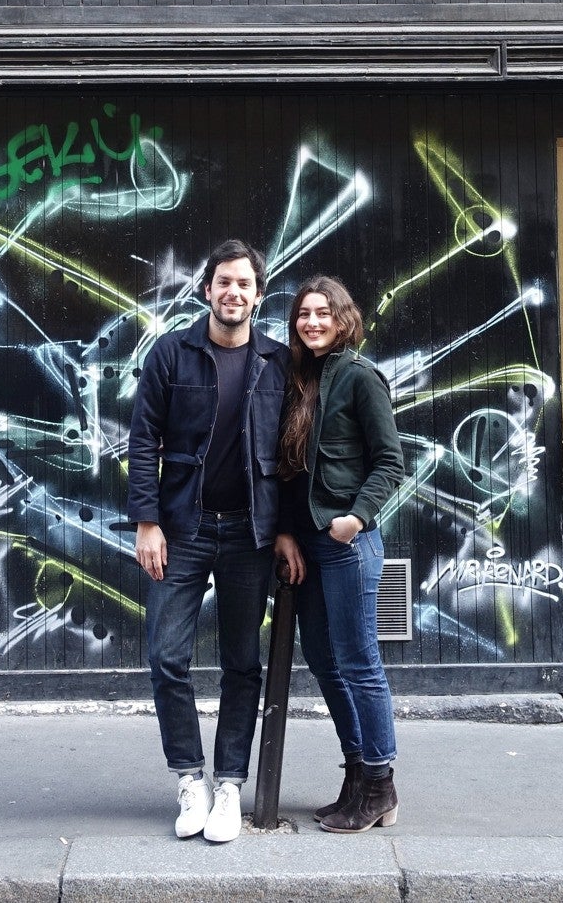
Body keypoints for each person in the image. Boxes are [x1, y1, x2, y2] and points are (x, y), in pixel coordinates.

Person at [125, 239, 304, 843]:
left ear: (258, 295)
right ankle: (189, 777)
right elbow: (143, 440)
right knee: (166, 657)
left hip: (250, 535)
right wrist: (147, 523)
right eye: (223, 282)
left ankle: (229, 783)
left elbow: (288, 457)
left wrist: (283, 531)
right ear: (207, 290)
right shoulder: (172, 355)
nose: (233, 293)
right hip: (183, 530)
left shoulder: (278, 363)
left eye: (245, 284)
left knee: (240, 665)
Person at [276, 274, 406, 833]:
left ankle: (381, 785)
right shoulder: (296, 381)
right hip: (306, 546)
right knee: (326, 663)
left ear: (343, 317)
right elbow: (284, 471)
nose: (313, 322)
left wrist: (355, 519)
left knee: (359, 663)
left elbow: (390, 461)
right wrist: (285, 532)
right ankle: (357, 774)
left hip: (346, 544)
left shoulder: (358, 377)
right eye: (304, 314)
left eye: (323, 313)